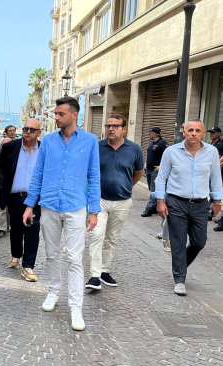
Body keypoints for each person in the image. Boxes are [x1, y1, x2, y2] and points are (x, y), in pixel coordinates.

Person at [22, 96, 100, 331]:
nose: (56, 117)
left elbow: (94, 176)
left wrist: (94, 210)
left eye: (60, 114)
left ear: (74, 115)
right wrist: (29, 204)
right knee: (52, 255)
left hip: (76, 206)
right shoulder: (47, 142)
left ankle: (76, 307)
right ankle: (54, 292)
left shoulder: (90, 141)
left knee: (75, 259)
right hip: (49, 206)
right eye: (55, 114)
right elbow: (38, 173)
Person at [154, 119, 223, 296]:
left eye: (197, 130)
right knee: (178, 242)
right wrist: (160, 201)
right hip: (176, 202)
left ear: (203, 133)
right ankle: (179, 279)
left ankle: (180, 265)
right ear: (183, 131)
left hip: (201, 203)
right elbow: (161, 178)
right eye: (190, 130)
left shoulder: (211, 152)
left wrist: (218, 201)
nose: (193, 133)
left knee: (199, 242)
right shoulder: (171, 152)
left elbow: (216, 177)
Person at [85, 114, 143, 290]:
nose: (111, 129)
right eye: (108, 125)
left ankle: (104, 270)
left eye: (115, 126)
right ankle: (94, 276)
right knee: (96, 236)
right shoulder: (96, 146)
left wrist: (125, 185)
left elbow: (138, 172)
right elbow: (87, 171)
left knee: (112, 238)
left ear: (124, 129)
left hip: (122, 201)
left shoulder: (134, 149)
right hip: (98, 200)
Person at [0, 118, 43, 282]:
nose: (28, 132)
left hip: (34, 199)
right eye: (26, 129)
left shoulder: (44, 149)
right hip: (14, 197)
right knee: (15, 228)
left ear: (38, 133)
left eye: (32, 130)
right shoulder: (10, 147)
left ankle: (28, 266)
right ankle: (16, 255)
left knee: (32, 230)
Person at [141, 127, 168, 217]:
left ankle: (148, 209)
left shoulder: (162, 144)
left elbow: (168, 157)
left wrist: (161, 166)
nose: (149, 135)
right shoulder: (151, 144)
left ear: (155, 134)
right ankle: (155, 207)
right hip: (149, 170)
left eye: (150, 133)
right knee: (151, 189)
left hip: (156, 172)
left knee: (154, 190)